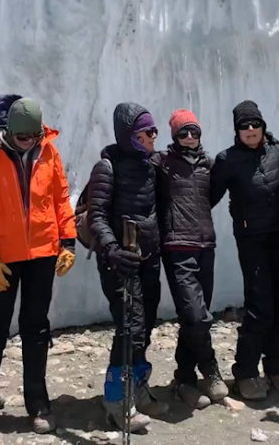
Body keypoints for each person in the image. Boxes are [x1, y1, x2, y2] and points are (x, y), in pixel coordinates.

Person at [0, 96, 77, 441]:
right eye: (23, 137)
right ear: (8, 131)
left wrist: (67, 241)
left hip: (41, 253)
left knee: (37, 329)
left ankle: (38, 405)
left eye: (34, 136)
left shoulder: (48, 151)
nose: (29, 142)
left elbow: (59, 197)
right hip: (1, 259)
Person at [88, 102, 169, 431]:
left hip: (148, 258)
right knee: (128, 329)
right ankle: (116, 400)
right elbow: (96, 216)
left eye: (154, 131)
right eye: (147, 132)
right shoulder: (107, 167)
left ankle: (137, 388)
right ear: (130, 135)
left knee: (145, 325)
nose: (153, 137)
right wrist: (111, 250)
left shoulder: (151, 164)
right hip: (120, 262)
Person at [210, 100, 279, 401]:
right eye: (244, 126)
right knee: (259, 306)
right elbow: (207, 197)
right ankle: (245, 372)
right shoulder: (227, 160)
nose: (250, 130)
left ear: (263, 126)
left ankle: (276, 369)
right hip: (252, 240)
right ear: (236, 130)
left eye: (255, 124)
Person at [152, 109, 229, 409]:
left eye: (193, 131)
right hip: (176, 247)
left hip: (205, 245)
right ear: (174, 136)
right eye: (183, 132)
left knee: (195, 316)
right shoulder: (162, 163)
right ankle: (210, 369)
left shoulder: (208, 165)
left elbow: (213, 196)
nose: (189, 137)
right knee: (197, 316)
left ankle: (184, 379)